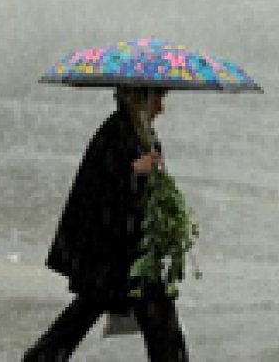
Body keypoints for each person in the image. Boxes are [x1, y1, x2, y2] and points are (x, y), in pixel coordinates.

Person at [23, 87, 188, 362]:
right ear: (140, 98)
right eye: (158, 98)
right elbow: (98, 190)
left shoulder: (142, 134)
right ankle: (42, 358)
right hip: (112, 252)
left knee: (152, 321)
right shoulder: (114, 134)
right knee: (150, 320)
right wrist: (135, 171)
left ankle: (42, 357)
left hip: (128, 250)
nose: (161, 107)